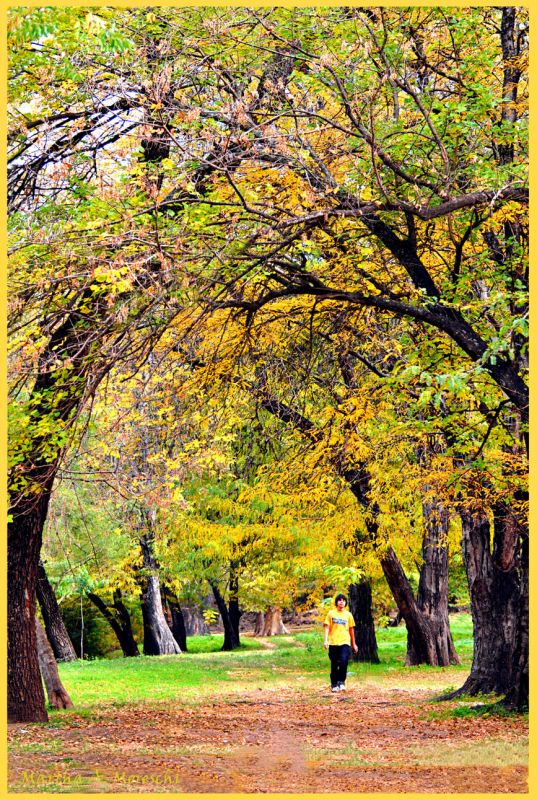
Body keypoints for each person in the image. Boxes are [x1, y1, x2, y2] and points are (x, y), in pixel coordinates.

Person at [323, 593, 358, 692]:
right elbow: (327, 627)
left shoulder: (348, 615)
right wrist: (325, 640)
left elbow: (351, 630)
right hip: (333, 642)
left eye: (343, 600)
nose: (342, 602)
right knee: (334, 663)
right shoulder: (331, 614)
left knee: (344, 661)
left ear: (345, 602)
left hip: (345, 642)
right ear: (336, 602)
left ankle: (341, 682)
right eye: (340, 600)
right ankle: (334, 684)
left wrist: (354, 644)